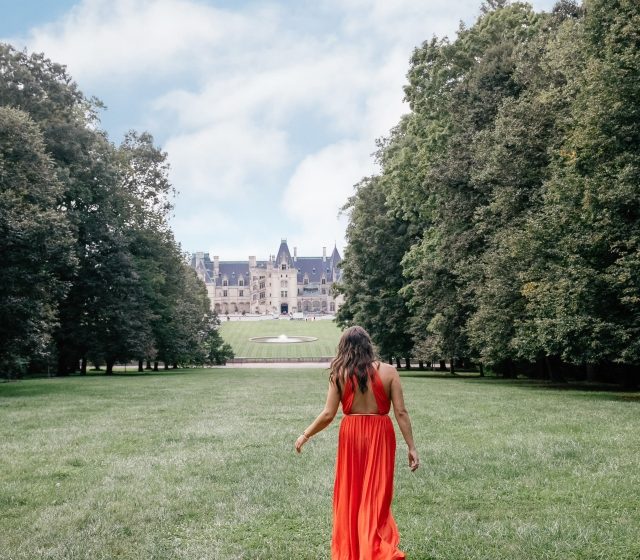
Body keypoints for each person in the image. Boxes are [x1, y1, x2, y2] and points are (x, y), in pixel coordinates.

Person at [295, 326, 419, 559]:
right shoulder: (389, 372)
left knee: (352, 495)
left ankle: (356, 549)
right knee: (376, 495)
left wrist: (305, 434)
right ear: (368, 345)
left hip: (351, 435)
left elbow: (328, 414)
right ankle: (374, 548)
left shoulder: (339, 373)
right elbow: (401, 412)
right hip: (380, 433)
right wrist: (411, 447)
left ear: (345, 347)